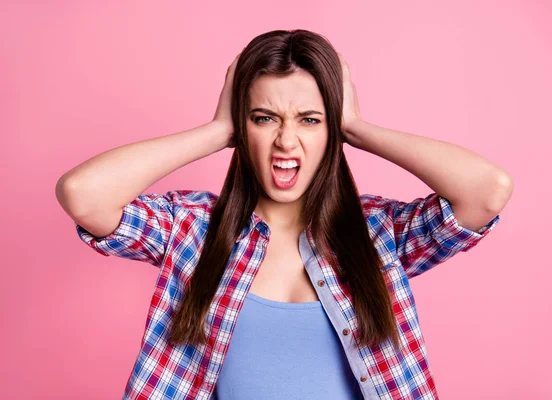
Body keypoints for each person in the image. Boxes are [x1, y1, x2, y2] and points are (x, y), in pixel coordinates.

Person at [55, 29, 512, 400]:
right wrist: (218, 130)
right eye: (264, 118)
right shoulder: (192, 229)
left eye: (310, 120)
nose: (286, 141)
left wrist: (355, 127)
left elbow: (487, 191)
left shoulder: (379, 234)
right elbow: (83, 195)